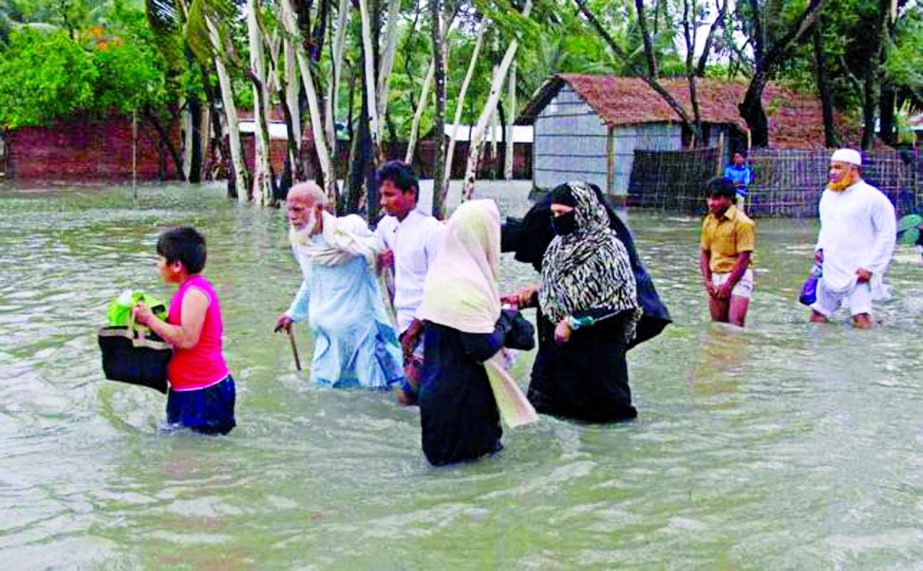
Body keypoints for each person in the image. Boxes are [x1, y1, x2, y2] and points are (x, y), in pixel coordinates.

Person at [506, 182, 642, 423]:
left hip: (596, 358)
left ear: (583, 211)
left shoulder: (609, 249)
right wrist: (528, 298)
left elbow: (621, 303)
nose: (557, 220)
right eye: (554, 214)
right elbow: (561, 292)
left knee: (602, 426)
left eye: (563, 214)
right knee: (546, 418)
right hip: (556, 354)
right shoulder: (557, 247)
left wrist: (573, 322)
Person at [415, 199, 522, 465]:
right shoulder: (466, 284)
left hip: (436, 399)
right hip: (462, 405)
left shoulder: (441, 274)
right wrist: (506, 320)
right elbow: (481, 347)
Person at [274, 182, 404, 389]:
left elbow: (380, 249)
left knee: (372, 395)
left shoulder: (351, 231)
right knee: (326, 397)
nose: (291, 216)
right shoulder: (301, 243)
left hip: (360, 334)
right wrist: (292, 314)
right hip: (326, 336)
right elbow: (312, 282)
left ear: (318, 209)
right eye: (289, 210)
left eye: (297, 209)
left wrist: (385, 258)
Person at [133, 227, 236, 435]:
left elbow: (187, 339)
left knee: (197, 458)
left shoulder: (195, 293)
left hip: (203, 390)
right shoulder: (186, 291)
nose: (158, 265)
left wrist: (150, 319)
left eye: (160, 259)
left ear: (177, 265)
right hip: (188, 388)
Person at [374, 160, 446, 405]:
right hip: (402, 322)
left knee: (408, 395)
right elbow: (371, 249)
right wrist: (381, 257)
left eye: (389, 195)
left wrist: (416, 327)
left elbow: (441, 283)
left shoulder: (432, 230)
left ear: (411, 193)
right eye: (381, 195)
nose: (383, 202)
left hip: (429, 324)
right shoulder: (387, 226)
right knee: (418, 396)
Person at [809, 148, 896, 329]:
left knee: (860, 318)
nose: (832, 172)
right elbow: (826, 227)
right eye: (831, 167)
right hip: (831, 265)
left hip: (858, 269)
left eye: (838, 167)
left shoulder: (873, 198)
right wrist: (820, 249)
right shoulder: (828, 196)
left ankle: (864, 354)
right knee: (817, 315)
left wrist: (871, 267)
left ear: (853, 170)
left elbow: (887, 234)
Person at [700, 176, 755, 327]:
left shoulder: (743, 223)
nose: (711, 203)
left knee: (735, 323)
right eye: (709, 198)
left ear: (730, 199)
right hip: (716, 274)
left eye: (717, 198)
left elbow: (744, 258)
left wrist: (729, 284)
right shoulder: (708, 221)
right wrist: (707, 280)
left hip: (738, 275)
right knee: (717, 325)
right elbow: (704, 253)